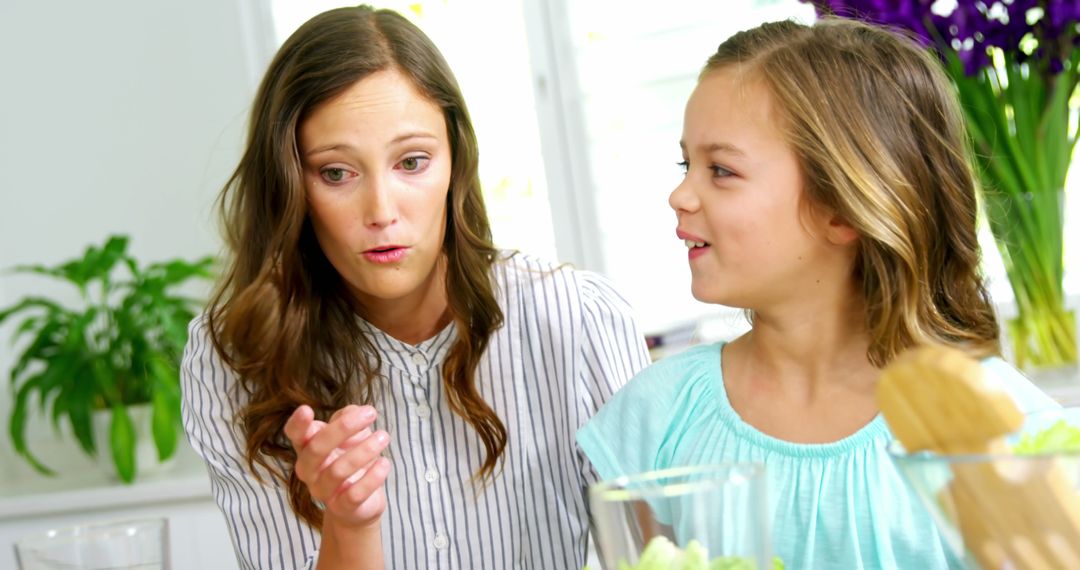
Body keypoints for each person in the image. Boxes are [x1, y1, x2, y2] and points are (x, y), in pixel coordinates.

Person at [576, 17, 1061, 570]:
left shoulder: (998, 426)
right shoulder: (659, 417)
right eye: (687, 164)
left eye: (722, 170)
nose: (680, 194)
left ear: (843, 208)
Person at [179, 5, 650, 569]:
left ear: (456, 162)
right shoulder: (233, 357)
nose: (381, 211)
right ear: (289, 185)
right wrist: (348, 524)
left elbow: (666, 555)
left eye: (412, 161)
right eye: (336, 173)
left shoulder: (577, 319)